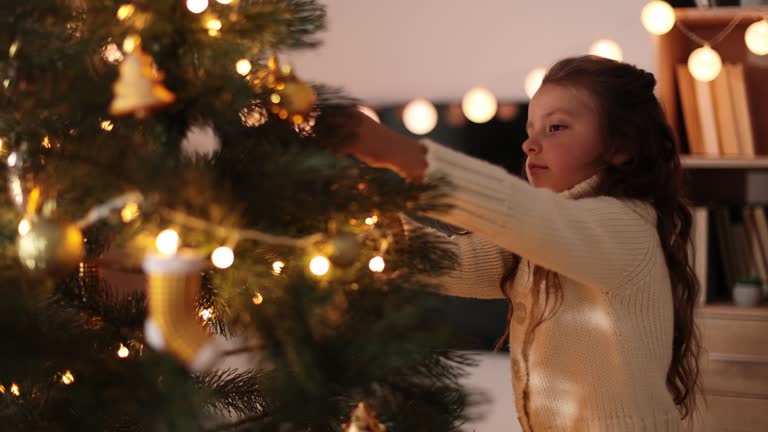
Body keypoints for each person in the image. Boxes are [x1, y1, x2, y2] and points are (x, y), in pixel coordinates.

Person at [338, 55, 701, 431]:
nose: (530, 145)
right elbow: (454, 261)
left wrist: (404, 156)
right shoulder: (541, 238)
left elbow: (524, 214)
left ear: (620, 146)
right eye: (530, 130)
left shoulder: (623, 226)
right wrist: (369, 217)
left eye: (556, 127)